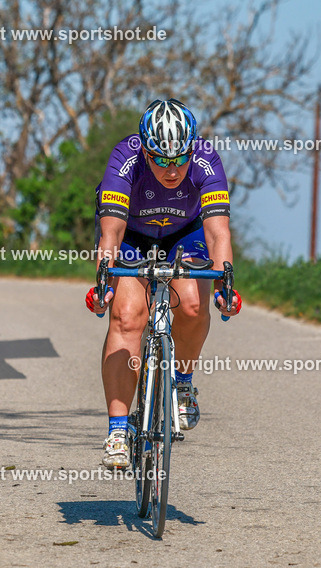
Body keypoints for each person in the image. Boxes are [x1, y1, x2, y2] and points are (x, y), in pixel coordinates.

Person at [85, 98, 242, 468]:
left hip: (184, 235)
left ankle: (183, 382)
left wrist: (224, 285)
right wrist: (104, 281)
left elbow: (218, 233)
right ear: (144, 148)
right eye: (161, 159)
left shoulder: (205, 158)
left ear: (192, 147)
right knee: (127, 317)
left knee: (190, 303)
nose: (171, 169)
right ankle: (119, 429)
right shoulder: (126, 156)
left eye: (179, 159)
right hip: (132, 236)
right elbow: (111, 232)